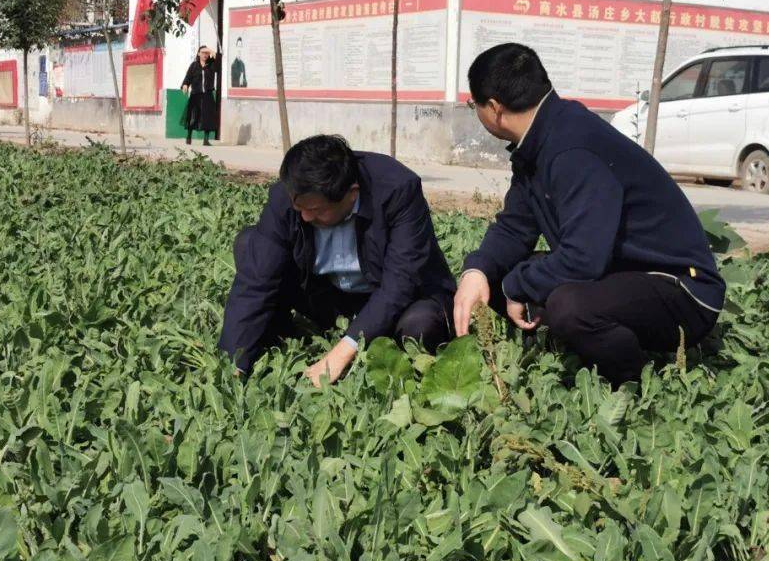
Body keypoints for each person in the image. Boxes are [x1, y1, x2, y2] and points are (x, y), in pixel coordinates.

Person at [453, 43, 725, 386]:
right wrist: (477, 271)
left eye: (472, 104)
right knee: (491, 278)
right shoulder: (540, 139)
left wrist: (517, 286)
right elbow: (515, 226)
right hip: (623, 274)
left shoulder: (572, 149)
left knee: (570, 306)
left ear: (493, 108)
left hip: (681, 288)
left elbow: (583, 259)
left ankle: (630, 383)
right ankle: (559, 347)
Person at [219, 135, 455, 385]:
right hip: (328, 295)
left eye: (317, 210)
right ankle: (278, 334)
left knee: (420, 326)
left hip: (396, 296)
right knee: (250, 245)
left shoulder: (397, 189)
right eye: (301, 209)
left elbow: (400, 283)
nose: (307, 217)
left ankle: (388, 353)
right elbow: (255, 282)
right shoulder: (289, 197)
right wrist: (233, 364)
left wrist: (343, 352)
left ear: (352, 194)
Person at [181, 46, 219, 145]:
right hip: (195, 94)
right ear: (198, 54)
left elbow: (218, 58)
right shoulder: (194, 65)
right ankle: (189, 136)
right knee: (193, 116)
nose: (205, 55)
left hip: (207, 94)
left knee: (208, 117)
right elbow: (188, 77)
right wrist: (185, 85)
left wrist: (210, 50)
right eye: (202, 52)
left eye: (206, 53)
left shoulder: (211, 65)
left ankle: (206, 140)